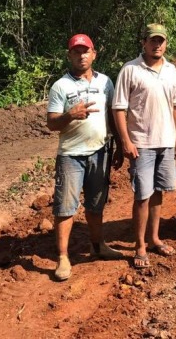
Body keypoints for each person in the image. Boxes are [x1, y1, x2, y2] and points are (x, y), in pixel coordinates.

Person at [47, 33, 124, 281]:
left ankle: (98, 245)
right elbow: (51, 123)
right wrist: (70, 115)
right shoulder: (61, 86)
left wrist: (120, 145)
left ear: (94, 54)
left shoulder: (106, 82)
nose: (81, 55)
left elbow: (113, 116)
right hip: (71, 155)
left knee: (96, 203)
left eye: (86, 51)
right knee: (65, 207)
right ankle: (63, 257)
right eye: (76, 51)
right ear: (70, 55)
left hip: (100, 152)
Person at [112, 23, 176, 269]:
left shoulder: (172, 71)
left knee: (158, 192)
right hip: (141, 143)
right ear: (144, 42)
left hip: (166, 142)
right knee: (142, 195)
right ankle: (140, 245)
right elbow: (119, 108)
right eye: (153, 40)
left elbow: (175, 107)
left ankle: (154, 238)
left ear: (166, 43)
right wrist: (125, 140)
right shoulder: (130, 70)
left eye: (161, 41)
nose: (157, 45)